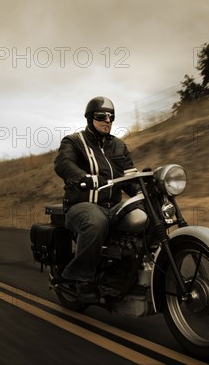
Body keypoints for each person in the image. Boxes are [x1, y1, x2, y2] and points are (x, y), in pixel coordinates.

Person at [54, 96, 139, 303]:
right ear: (90, 118)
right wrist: (84, 178)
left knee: (143, 216)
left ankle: (127, 274)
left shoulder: (119, 146)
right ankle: (80, 277)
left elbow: (129, 177)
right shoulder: (74, 142)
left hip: (114, 207)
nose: (107, 120)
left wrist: (142, 190)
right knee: (95, 221)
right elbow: (63, 164)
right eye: (101, 116)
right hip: (81, 206)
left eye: (111, 117)